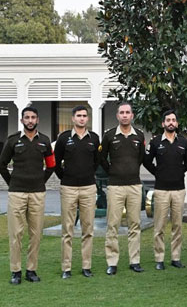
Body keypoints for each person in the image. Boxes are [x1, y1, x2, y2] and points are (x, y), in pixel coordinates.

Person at [0, 106, 55, 284]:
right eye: (27, 117)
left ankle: (31, 270)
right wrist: (12, 182)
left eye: (33, 117)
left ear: (37, 120)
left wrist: (41, 180)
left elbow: (51, 165)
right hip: (17, 193)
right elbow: (2, 164)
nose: (30, 120)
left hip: (37, 193)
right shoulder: (13, 140)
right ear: (22, 120)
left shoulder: (45, 141)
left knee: (36, 233)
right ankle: (15, 271)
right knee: (16, 234)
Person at [100, 101, 146, 275]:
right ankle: (112, 262)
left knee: (135, 224)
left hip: (134, 185)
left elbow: (140, 158)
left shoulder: (139, 136)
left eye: (128, 112)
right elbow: (102, 157)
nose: (125, 115)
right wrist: (112, 171)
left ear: (132, 115)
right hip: (115, 186)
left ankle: (135, 261)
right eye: (122, 112)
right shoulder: (110, 135)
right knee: (113, 224)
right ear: (117, 115)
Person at [54, 105, 99, 279]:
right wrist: (65, 178)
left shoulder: (94, 139)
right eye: (78, 116)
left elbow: (96, 162)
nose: (81, 118)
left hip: (88, 187)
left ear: (87, 119)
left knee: (88, 229)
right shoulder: (64, 138)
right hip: (69, 188)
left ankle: (86, 266)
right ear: (73, 118)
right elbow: (56, 163)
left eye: (84, 116)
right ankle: (66, 268)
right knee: (68, 229)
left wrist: (87, 175)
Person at [144, 110, 187, 270]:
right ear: (163, 123)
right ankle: (159, 259)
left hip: (179, 189)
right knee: (159, 226)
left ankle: (175, 257)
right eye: (168, 120)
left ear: (177, 124)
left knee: (177, 226)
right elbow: (147, 161)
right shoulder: (156, 142)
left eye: (173, 120)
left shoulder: (183, 142)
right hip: (161, 190)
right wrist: (158, 173)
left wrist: (178, 172)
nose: (171, 122)